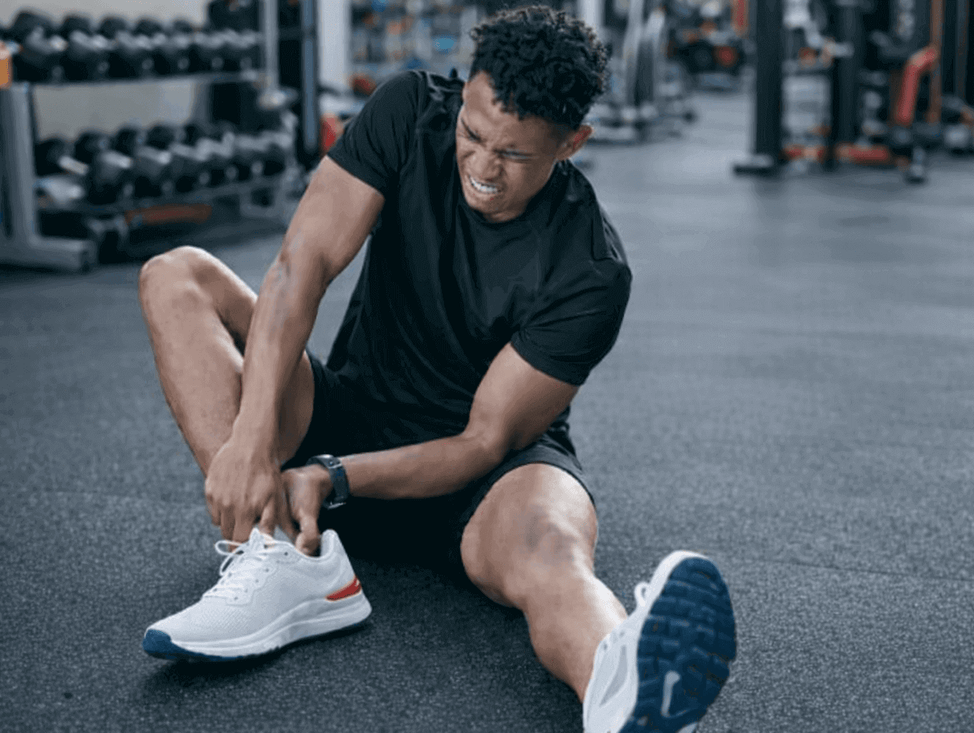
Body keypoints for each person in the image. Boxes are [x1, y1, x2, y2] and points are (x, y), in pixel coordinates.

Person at [137, 6, 736, 731]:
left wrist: (331, 475)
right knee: (177, 276)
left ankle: (620, 684)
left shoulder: (591, 271)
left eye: (514, 155)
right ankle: (276, 553)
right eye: (473, 135)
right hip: (349, 411)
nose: (482, 168)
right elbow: (301, 267)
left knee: (553, 548)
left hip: (483, 477)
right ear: (463, 92)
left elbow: (483, 440)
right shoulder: (408, 111)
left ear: (571, 143)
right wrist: (251, 437)